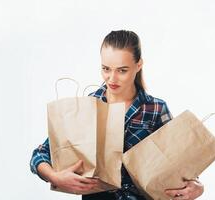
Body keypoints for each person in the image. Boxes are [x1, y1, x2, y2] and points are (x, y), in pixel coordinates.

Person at [30, 30, 204, 200]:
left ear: (138, 65)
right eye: (106, 69)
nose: (111, 79)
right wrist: (54, 177)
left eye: (122, 70)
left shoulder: (156, 109)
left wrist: (197, 187)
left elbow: (177, 165)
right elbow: (40, 154)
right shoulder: (87, 107)